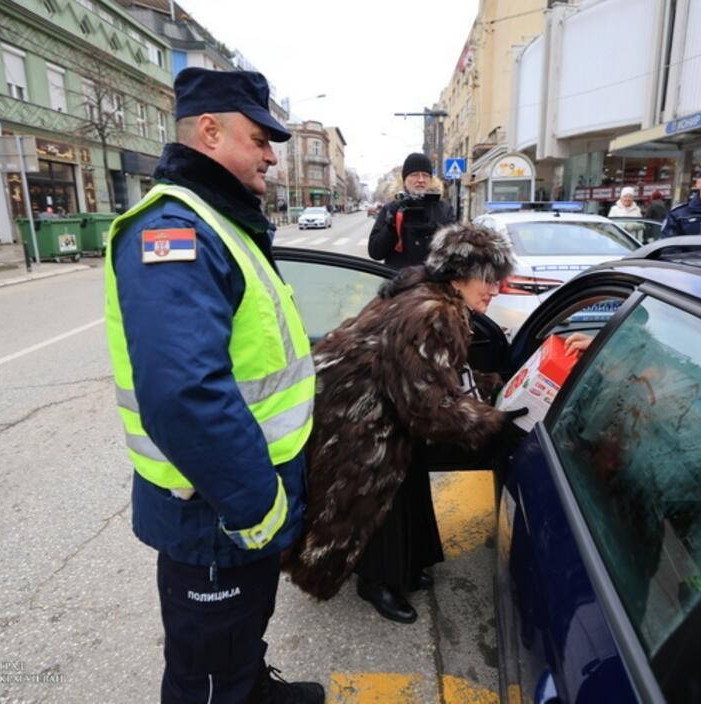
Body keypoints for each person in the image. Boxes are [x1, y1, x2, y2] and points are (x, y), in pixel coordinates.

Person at [103, 67, 323, 703]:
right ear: (209, 132)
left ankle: (250, 687)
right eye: (260, 139)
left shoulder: (219, 221)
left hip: (233, 494)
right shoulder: (174, 231)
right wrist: (257, 507)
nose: (271, 156)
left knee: (238, 632)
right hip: (214, 506)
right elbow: (184, 397)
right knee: (205, 671)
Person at [283, 224, 526, 623]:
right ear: (458, 275)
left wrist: (490, 385)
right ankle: (378, 582)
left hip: (361, 404)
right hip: (357, 418)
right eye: (487, 279)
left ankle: (404, 568)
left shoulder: (426, 295)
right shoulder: (433, 312)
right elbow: (427, 407)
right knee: (378, 498)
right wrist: (494, 423)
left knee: (405, 484)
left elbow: (433, 373)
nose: (494, 290)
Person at [368, 152, 456, 268]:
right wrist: (391, 227)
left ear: (431, 180)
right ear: (404, 180)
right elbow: (375, 253)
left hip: (432, 277)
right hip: (398, 277)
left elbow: (456, 252)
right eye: (414, 175)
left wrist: (435, 231)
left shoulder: (444, 208)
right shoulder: (391, 208)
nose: (421, 180)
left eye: (425, 175)